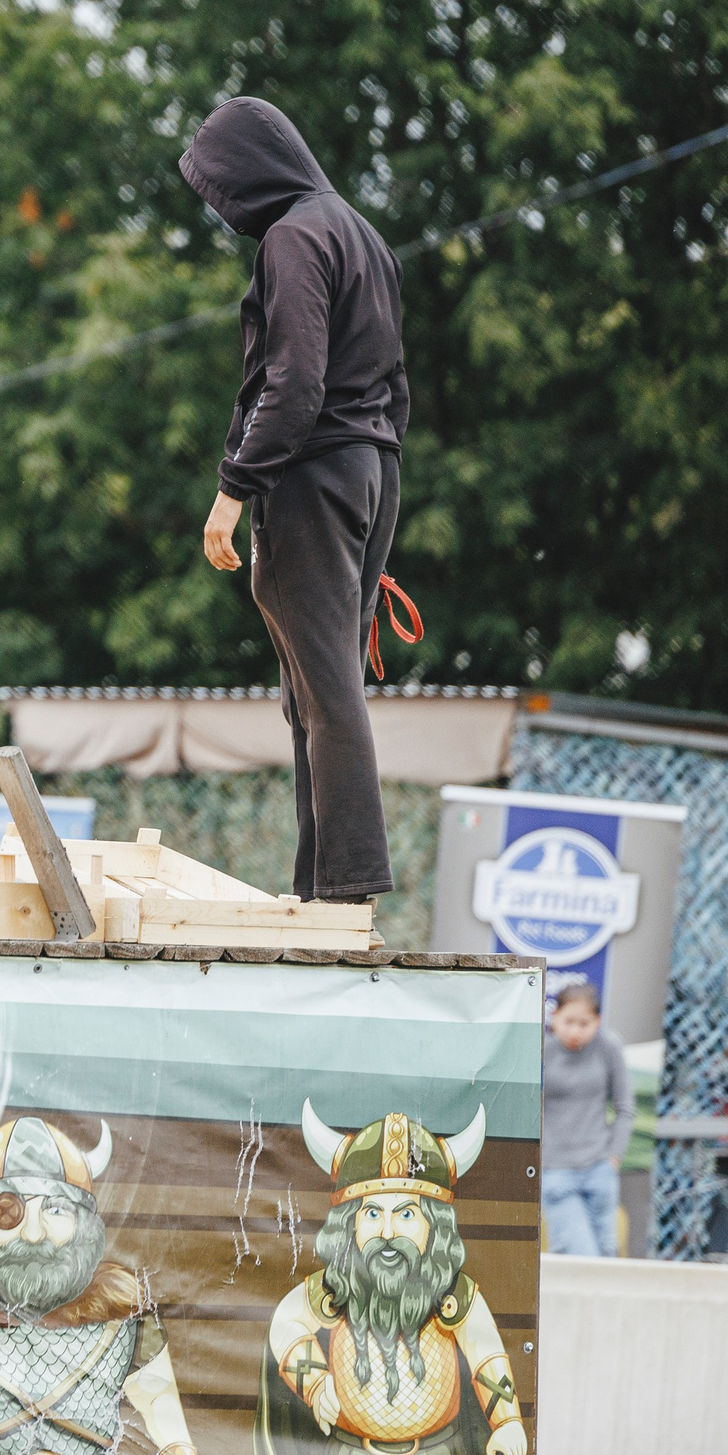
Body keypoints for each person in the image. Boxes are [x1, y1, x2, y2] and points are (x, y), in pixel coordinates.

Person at [182, 97, 410, 904]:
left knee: (325, 690)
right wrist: (372, 468)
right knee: (316, 689)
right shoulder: (362, 235)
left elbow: (293, 380)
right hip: (372, 468)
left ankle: (344, 889)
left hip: (312, 473)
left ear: (248, 171)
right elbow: (395, 383)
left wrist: (233, 488)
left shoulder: (293, 237)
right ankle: (320, 885)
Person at [540, 983, 630, 1256]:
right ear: (554, 1017)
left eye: (584, 1023)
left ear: (597, 1022)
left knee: (607, 1251)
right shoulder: (542, 1051)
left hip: (600, 1168)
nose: (575, 1031)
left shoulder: (608, 1048)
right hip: (556, 1171)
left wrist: (614, 1156)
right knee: (579, 1252)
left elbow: (625, 1108)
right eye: (568, 1022)